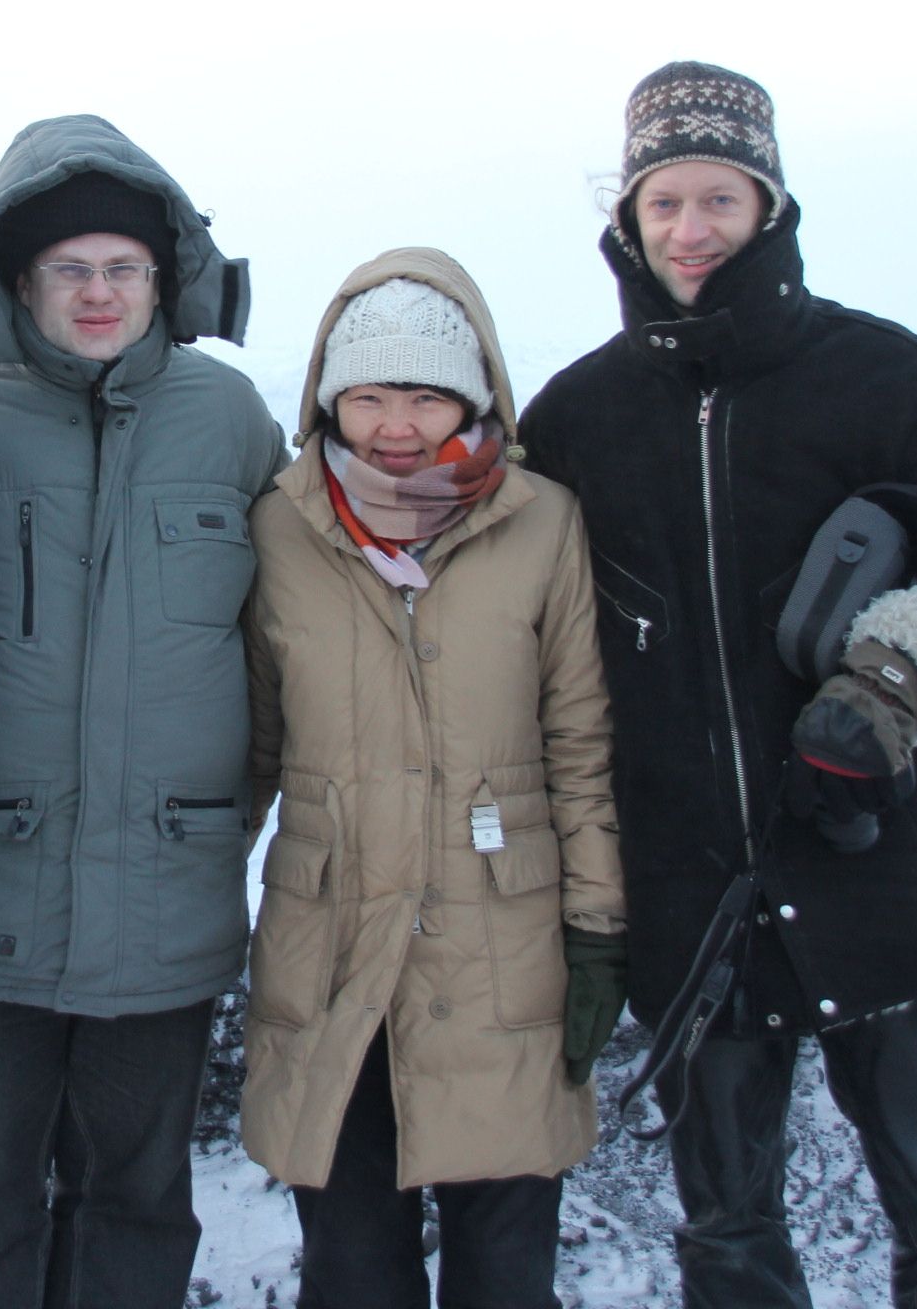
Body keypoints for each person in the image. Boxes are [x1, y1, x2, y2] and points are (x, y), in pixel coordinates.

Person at [519, 62, 917, 1309]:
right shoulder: (576, 419)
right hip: (693, 896)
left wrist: (895, 679)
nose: (689, 230)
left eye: (718, 199)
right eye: (663, 203)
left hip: (890, 868)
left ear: (769, 208)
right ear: (627, 218)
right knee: (727, 1236)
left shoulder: (897, 379)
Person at [0, 113, 289, 1309]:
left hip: (165, 902)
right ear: (20, 277)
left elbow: (295, 621)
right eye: (71, 270)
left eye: (124, 269)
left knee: (140, 1205)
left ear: (165, 281)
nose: (100, 292)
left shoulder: (228, 417)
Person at [240, 253, 629, 1309]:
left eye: (423, 394)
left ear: (471, 394)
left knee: (504, 1275)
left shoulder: (540, 520)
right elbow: (252, 748)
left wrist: (597, 925)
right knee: (352, 1271)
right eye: (368, 395)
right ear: (330, 398)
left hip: (504, 948)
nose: (396, 424)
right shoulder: (283, 526)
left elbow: (579, 739)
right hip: (333, 945)